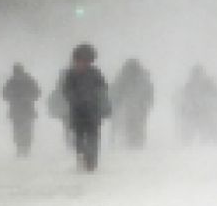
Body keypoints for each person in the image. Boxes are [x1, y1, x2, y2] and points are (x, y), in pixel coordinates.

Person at [63, 43, 110, 171]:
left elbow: (103, 89)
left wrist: (100, 103)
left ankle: (91, 161)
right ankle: (81, 155)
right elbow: (66, 90)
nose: (82, 63)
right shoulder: (71, 74)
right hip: (77, 111)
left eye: (85, 61)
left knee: (93, 136)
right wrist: (75, 99)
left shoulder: (95, 73)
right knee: (79, 136)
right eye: (80, 60)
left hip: (93, 111)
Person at [111, 58, 155, 149]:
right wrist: (147, 104)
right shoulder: (142, 77)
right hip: (137, 108)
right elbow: (149, 93)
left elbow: (115, 92)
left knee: (131, 125)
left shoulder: (123, 77)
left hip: (132, 107)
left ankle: (133, 144)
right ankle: (136, 144)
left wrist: (116, 105)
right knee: (137, 126)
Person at [177, 65, 217, 144]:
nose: (197, 77)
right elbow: (183, 99)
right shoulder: (189, 86)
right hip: (194, 113)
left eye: (198, 74)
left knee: (213, 126)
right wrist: (184, 111)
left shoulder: (209, 84)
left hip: (206, 112)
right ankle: (186, 144)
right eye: (196, 75)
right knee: (188, 129)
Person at [2, 63, 40, 157]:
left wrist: (27, 97)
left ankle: (25, 147)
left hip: (24, 110)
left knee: (25, 129)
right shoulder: (12, 81)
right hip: (19, 110)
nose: (17, 75)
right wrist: (13, 97)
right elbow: (5, 95)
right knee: (19, 130)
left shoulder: (26, 80)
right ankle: (20, 147)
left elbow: (37, 93)